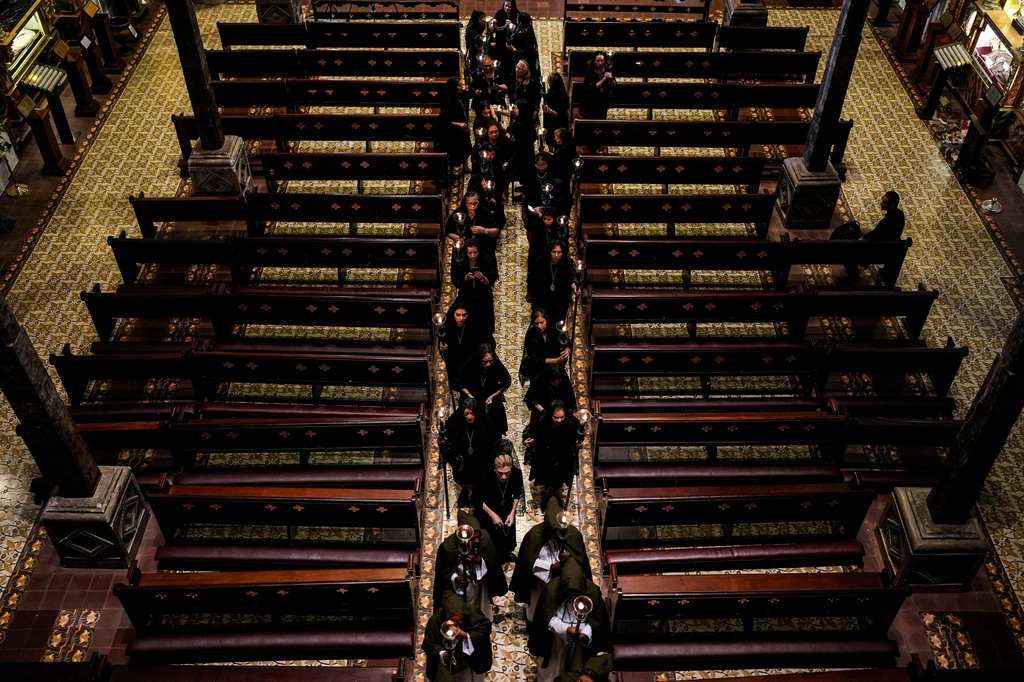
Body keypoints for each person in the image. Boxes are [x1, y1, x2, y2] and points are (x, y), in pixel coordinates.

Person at [528, 557, 610, 682]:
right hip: (556, 638)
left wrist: (585, 633)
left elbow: (596, 622)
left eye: (575, 590)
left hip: (580, 641)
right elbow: (547, 618)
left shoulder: (592, 592)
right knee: (554, 667)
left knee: (576, 667)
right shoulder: (552, 589)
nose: (572, 593)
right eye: (569, 590)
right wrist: (566, 629)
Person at [510, 497, 591, 622]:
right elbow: (528, 562)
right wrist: (550, 567)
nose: (557, 533)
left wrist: (569, 560)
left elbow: (580, 559)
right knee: (538, 609)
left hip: (564, 583)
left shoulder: (572, 534)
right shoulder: (534, 536)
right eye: (554, 530)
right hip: (541, 583)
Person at [433, 510, 508, 621]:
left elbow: (492, 563)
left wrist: (480, 561)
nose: (476, 540)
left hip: (479, 584)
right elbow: (444, 572)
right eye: (472, 538)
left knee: (479, 609)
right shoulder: (448, 547)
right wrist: (455, 579)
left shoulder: (485, 539)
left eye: (477, 536)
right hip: (459, 589)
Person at [523, 399, 581, 511]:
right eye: (556, 417)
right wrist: (527, 441)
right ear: (550, 415)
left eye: (562, 417)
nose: (559, 420)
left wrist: (578, 443)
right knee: (546, 473)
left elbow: (578, 434)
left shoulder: (570, 421)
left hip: (563, 453)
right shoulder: (540, 420)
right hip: (545, 453)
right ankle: (548, 490)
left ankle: (554, 490)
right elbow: (529, 433)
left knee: (560, 473)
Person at [423, 590, 493, 682]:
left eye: (461, 618)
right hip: (446, 666)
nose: (459, 622)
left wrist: (464, 635)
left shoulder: (472, 611)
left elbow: (484, 631)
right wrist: (442, 653)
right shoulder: (436, 620)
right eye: (454, 620)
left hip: (468, 663)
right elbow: (429, 643)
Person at [473, 447, 524, 563]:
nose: (504, 477)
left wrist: (512, 513)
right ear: (494, 468)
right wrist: (492, 515)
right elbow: (477, 499)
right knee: (491, 537)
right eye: (500, 473)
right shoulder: (485, 476)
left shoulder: (516, 474)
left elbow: (517, 493)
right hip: (488, 510)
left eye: (507, 473)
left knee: (507, 536)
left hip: (506, 509)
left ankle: (505, 554)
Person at [442, 398, 496, 507]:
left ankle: (477, 492)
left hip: (479, 458)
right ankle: (465, 491)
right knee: (463, 478)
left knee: (480, 478)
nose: (469, 417)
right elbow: (449, 437)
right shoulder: (458, 424)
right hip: (463, 459)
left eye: (472, 413)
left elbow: (490, 440)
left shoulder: (483, 424)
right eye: (466, 414)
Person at [457, 343, 512, 437]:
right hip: (473, 396)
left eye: (491, 361)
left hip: (491, 398)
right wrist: (469, 395)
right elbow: (458, 381)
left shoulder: (496, 366)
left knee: (493, 428)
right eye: (484, 362)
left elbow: (506, 382)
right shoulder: (470, 366)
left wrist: (493, 396)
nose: (488, 364)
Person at [451, 237, 499, 336]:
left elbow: (491, 279)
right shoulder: (460, 260)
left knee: (483, 325)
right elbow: (455, 279)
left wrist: (482, 278)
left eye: (475, 252)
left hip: (483, 297)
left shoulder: (485, 258)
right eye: (469, 253)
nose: (473, 256)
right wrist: (466, 278)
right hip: (466, 296)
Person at [439, 299, 489, 390]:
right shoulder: (448, 325)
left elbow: (482, 343)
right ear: (453, 313)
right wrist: (443, 348)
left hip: (469, 360)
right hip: (454, 361)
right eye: (457, 315)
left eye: (464, 315)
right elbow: (443, 340)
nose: (461, 318)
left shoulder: (474, 326)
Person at [528, 240, 577, 324]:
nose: (556, 255)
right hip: (541, 299)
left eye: (559, 252)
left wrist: (575, 288)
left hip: (559, 301)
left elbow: (572, 280)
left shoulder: (568, 263)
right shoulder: (539, 263)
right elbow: (531, 280)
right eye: (553, 252)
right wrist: (529, 293)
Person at [520, 308, 570, 385]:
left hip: (555, 368)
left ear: (546, 320)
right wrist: (556, 360)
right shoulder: (530, 335)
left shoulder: (554, 328)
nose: (539, 326)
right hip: (539, 369)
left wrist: (567, 349)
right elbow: (535, 359)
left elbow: (566, 341)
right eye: (536, 323)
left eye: (541, 322)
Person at [524, 365, 577, 435]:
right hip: (541, 410)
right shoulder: (539, 381)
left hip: (560, 411)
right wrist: (545, 412)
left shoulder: (564, 383)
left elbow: (570, 402)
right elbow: (531, 399)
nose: (559, 382)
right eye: (557, 381)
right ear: (550, 381)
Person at [446, 191, 498, 256]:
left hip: (483, 248)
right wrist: (458, 238)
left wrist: (484, 230)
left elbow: (496, 231)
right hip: (464, 249)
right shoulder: (458, 214)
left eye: (475, 203)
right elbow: (448, 231)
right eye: (469, 204)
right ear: (465, 203)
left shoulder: (485, 213)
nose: (472, 206)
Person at [438, 77, 472, 174]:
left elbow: (470, 94)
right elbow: (443, 120)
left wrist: (470, 84)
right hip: (452, 131)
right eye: (459, 85)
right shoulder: (449, 101)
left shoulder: (459, 95)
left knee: (466, 147)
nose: (462, 87)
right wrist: (458, 124)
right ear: (454, 87)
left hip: (462, 127)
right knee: (457, 152)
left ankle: (465, 166)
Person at [578, 52, 615, 121]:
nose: (600, 63)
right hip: (591, 101)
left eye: (602, 61)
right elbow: (594, 87)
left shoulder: (608, 70)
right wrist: (605, 79)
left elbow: (614, 85)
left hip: (602, 101)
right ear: (594, 61)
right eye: (598, 61)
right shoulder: (590, 72)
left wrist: (611, 78)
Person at [542, 75, 570, 149]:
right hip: (550, 121)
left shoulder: (561, 97)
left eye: (550, 82)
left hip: (557, 123)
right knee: (550, 139)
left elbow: (559, 114)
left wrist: (548, 110)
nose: (549, 83)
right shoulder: (554, 90)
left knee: (555, 141)